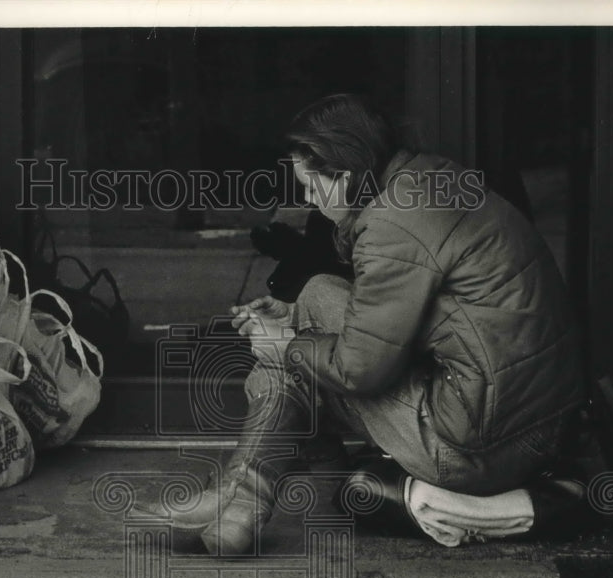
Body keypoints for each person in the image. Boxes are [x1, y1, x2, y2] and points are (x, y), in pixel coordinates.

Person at [170, 94, 588, 553]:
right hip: (537, 426)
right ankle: (246, 501)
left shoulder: (392, 224)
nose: (306, 200)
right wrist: (292, 320)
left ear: (344, 177)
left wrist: (287, 344)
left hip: (480, 450)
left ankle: (241, 499)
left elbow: (360, 368)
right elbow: (414, 314)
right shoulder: (428, 180)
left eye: (311, 187)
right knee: (314, 301)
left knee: (304, 332)